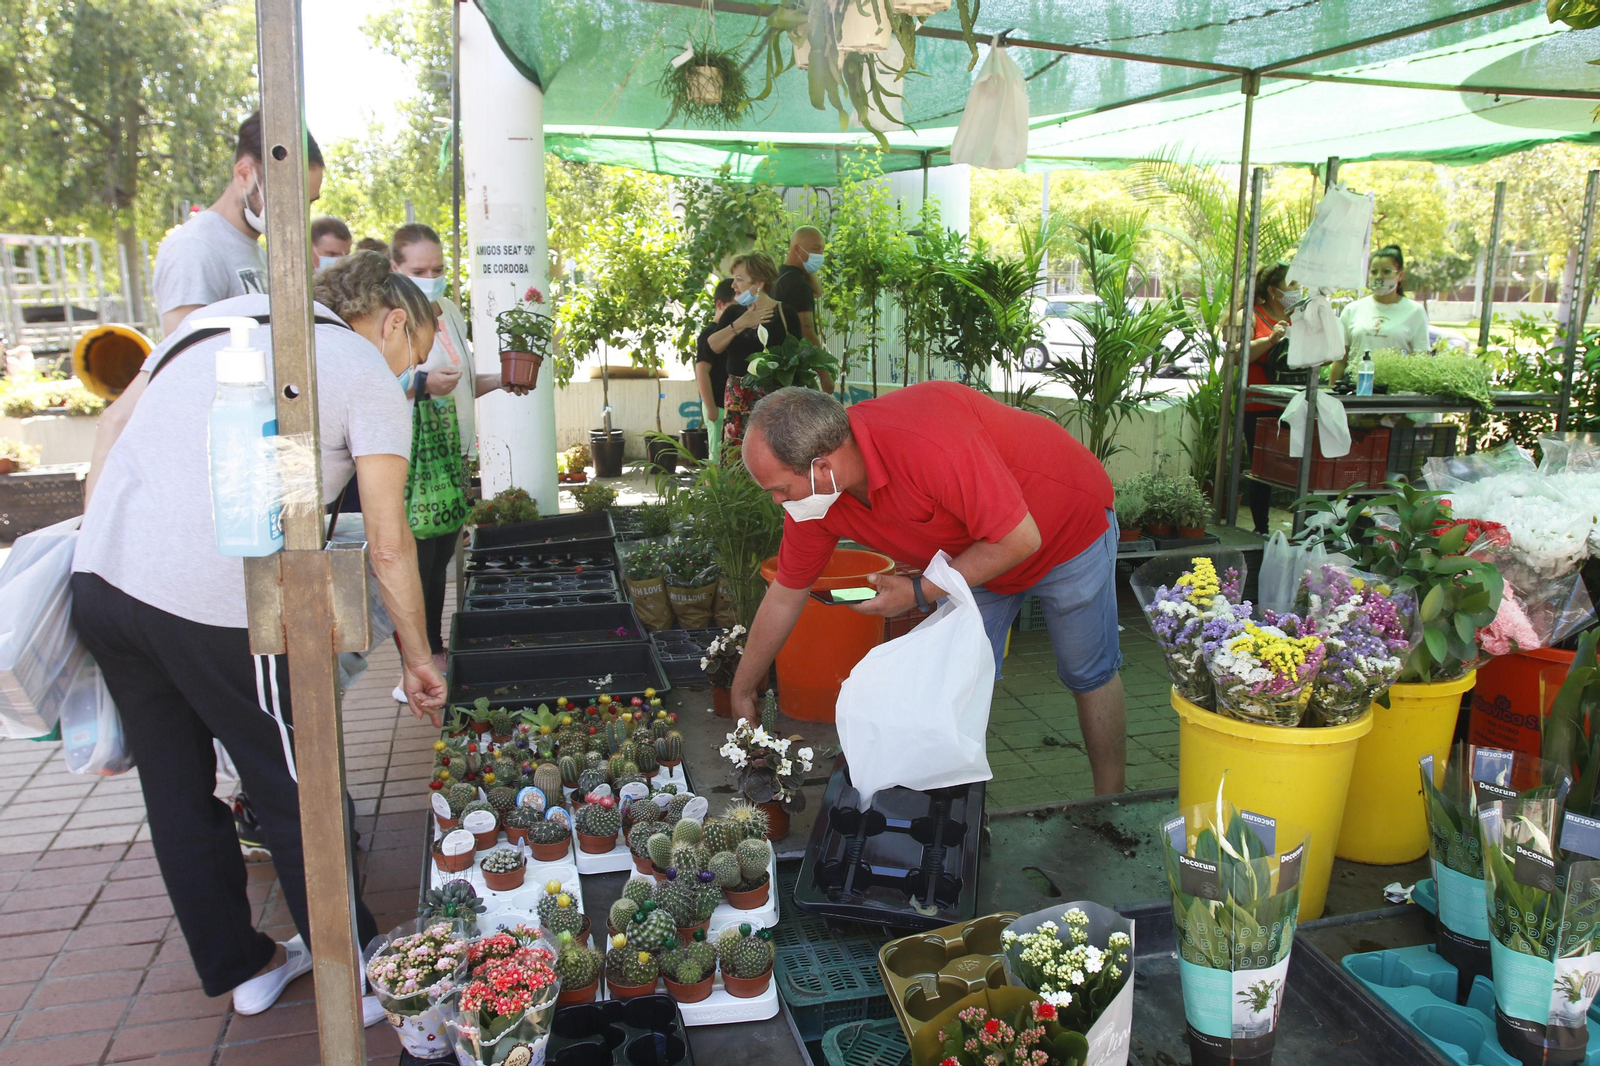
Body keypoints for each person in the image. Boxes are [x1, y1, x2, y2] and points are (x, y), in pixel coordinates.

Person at [72, 252, 445, 1019]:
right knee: (295, 783)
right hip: (222, 604)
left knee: (176, 791)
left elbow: (112, 425)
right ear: (393, 322)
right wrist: (418, 656)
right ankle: (359, 974)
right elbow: (388, 543)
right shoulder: (362, 369)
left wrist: (111, 548)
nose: (408, 372)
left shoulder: (213, 322)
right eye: (414, 355)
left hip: (104, 582)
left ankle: (244, 969)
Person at [734, 383, 1127, 795]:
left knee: (1088, 673)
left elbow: (1019, 539)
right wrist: (743, 688)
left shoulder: (927, 439)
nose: (778, 502)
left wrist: (919, 591)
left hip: (1067, 529)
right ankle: (956, 813)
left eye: (779, 489)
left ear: (822, 467)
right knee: (951, 684)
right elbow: (785, 594)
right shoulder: (815, 502)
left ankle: (1110, 803)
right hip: (976, 558)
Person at [386, 222, 519, 700]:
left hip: (454, 457)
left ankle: (434, 652)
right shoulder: (389, 318)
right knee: (415, 563)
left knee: (440, 558)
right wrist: (420, 384)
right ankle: (415, 665)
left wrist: (500, 380)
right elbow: (375, 386)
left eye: (438, 268)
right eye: (419, 270)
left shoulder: (449, 312)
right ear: (395, 268)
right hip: (412, 462)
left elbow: (460, 384)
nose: (431, 278)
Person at [153, 110, 325, 337]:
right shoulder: (193, 249)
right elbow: (186, 354)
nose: (298, 216)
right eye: (288, 199)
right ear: (244, 174)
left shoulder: (255, 251)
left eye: (307, 204)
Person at [705, 252, 789, 449]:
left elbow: (796, 358)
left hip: (773, 402)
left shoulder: (785, 313)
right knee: (735, 456)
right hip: (737, 402)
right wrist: (741, 323)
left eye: (739, 279)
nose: (733, 285)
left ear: (758, 283)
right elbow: (713, 345)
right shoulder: (733, 313)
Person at [1240, 263, 1301, 534]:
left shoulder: (1301, 317)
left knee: (1297, 465)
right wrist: (1271, 341)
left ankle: (1301, 528)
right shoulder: (1252, 316)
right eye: (1292, 284)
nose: (1298, 290)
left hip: (1294, 405)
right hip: (1259, 406)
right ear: (1274, 291)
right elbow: (1236, 354)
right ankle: (1260, 529)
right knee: (1261, 467)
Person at [1334, 244, 1430, 381]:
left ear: (1400, 275)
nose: (1379, 277)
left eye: (1386, 272)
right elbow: (1340, 362)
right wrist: (1332, 390)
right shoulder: (1352, 309)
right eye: (1374, 272)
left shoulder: (1415, 311)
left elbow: (1422, 361)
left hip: (1394, 387)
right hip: (1354, 386)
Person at [773, 226, 833, 394]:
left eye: (822, 250)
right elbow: (807, 332)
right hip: (791, 371)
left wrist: (808, 267)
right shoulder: (798, 285)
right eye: (816, 249)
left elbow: (818, 291)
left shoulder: (779, 275)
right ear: (797, 249)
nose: (820, 255)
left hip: (775, 367)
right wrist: (824, 373)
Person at [694, 278, 737, 463]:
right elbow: (701, 371)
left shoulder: (734, 333)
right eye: (735, 306)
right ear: (720, 305)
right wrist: (711, 408)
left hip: (731, 406)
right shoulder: (709, 335)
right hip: (717, 406)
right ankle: (713, 483)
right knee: (717, 455)